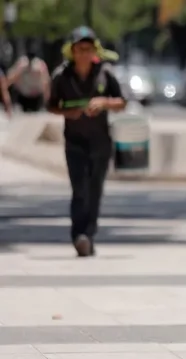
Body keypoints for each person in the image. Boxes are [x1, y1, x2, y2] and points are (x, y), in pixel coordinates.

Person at [47, 26, 126, 257]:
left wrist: (103, 102)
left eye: (88, 48)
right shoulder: (62, 76)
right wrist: (67, 113)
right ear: (72, 51)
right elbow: (51, 105)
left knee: (95, 190)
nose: (83, 53)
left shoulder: (105, 73)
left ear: (94, 50)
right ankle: (79, 235)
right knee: (79, 189)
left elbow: (122, 101)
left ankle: (88, 236)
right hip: (74, 142)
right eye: (79, 49)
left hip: (101, 142)